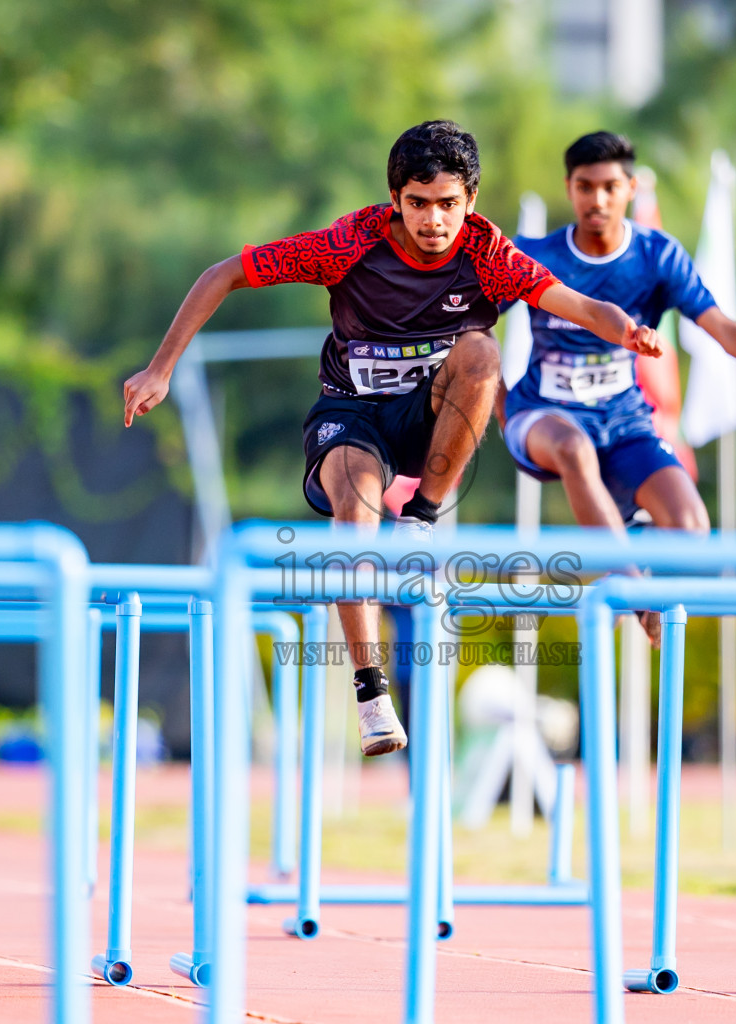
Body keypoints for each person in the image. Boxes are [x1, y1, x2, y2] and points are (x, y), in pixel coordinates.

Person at [123, 121, 661, 755]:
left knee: (482, 353)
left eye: (448, 205)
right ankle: (371, 690)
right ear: (396, 200)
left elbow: (574, 302)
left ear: (471, 200)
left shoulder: (489, 254)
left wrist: (627, 331)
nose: (434, 221)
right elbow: (222, 274)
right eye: (418, 204)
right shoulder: (348, 242)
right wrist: (161, 367)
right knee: (355, 516)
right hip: (350, 416)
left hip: (431, 423)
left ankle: (424, 516)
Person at [499, 132, 736, 637]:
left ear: (630, 188)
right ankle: (634, 588)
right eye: (585, 187)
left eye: (610, 187)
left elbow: (722, 328)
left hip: (623, 421)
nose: (598, 200)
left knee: (692, 528)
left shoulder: (656, 256)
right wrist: (499, 406)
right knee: (573, 448)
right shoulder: (533, 254)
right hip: (545, 417)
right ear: (569, 188)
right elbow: (467, 329)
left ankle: (624, 537)